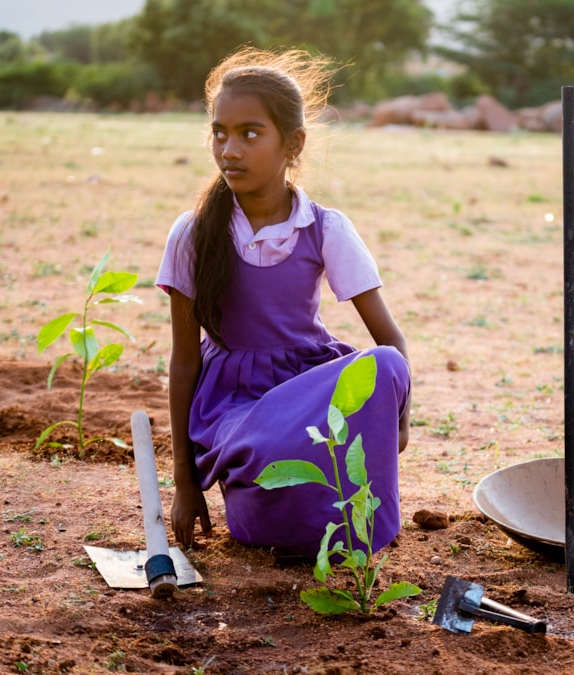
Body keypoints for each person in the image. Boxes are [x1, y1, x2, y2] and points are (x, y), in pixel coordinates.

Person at [155, 48, 411, 557]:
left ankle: (345, 527)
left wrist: (396, 419)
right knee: (270, 452)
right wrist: (185, 485)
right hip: (236, 407)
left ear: (292, 143)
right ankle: (273, 501)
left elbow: (392, 342)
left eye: (250, 133)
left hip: (307, 384)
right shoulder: (192, 234)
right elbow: (185, 360)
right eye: (219, 132)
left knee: (383, 365)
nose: (230, 149)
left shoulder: (326, 229)